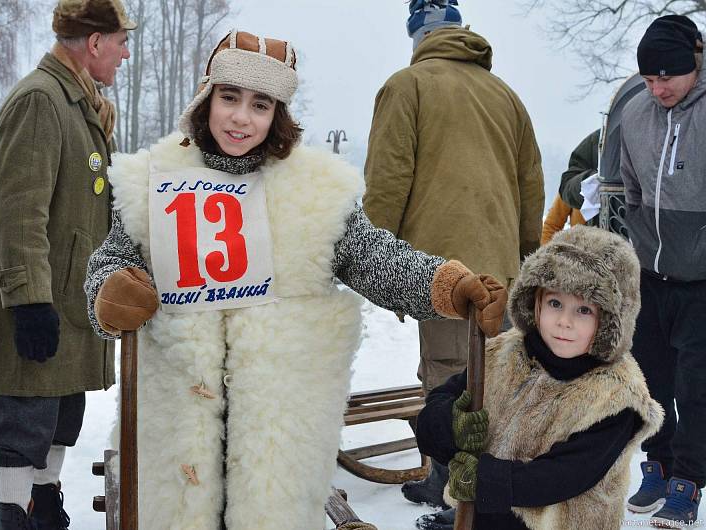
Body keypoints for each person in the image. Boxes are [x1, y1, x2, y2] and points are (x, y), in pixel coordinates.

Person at [83, 29, 508, 530]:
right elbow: (108, 261)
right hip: (178, 411)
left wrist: (444, 284)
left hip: (277, 419)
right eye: (229, 97)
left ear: (278, 113)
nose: (242, 117)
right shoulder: (152, 179)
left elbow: (374, 257)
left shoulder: (315, 193)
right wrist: (110, 290)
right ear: (206, 98)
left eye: (260, 104)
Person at [362, 0, 544, 515]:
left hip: (440, 269)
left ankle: (455, 492)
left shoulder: (407, 85)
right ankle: (494, 483)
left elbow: (388, 180)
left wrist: (379, 263)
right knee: (497, 377)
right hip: (503, 269)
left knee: (447, 377)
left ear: (417, 35)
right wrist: (525, 260)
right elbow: (532, 185)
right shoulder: (507, 96)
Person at [0, 2, 135, 529]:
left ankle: (43, 505)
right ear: (95, 41)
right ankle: (17, 516)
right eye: (121, 41)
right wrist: (30, 301)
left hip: (66, 306)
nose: (126, 52)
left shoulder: (80, 105)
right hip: (37, 308)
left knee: (59, 420)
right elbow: (18, 212)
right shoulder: (41, 100)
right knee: (22, 428)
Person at [415, 226, 663, 530]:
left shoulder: (614, 397)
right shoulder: (502, 353)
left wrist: (483, 479)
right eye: (555, 303)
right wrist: (449, 424)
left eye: (583, 310)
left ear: (611, 322)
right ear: (536, 301)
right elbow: (441, 400)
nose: (564, 321)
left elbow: (564, 475)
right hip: (484, 520)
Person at [620, 14, 706, 526]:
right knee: (650, 381)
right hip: (652, 276)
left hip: (703, 281)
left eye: (667, 77)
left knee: (698, 387)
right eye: (649, 79)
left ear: (693, 63)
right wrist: (642, 238)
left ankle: (689, 480)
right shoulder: (635, 113)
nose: (658, 89)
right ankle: (658, 464)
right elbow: (629, 186)